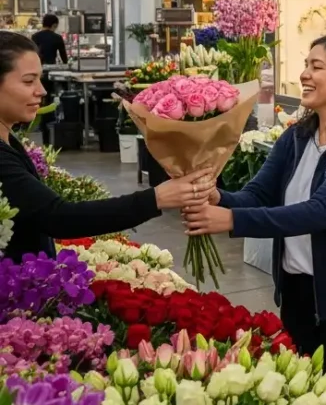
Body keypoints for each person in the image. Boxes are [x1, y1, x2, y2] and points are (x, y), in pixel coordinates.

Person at [182, 35, 326, 393]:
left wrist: (232, 221)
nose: (304, 75)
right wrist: (218, 197)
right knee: (303, 401)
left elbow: (320, 211)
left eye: (317, 66)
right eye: (305, 66)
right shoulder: (296, 138)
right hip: (298, 295)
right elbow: (258, 194)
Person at [0, 32, 213, 261]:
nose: (41, 90)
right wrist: (157, 198)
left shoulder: (9, 139)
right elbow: (59, 218)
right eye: (28, 81)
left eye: (40, 79)